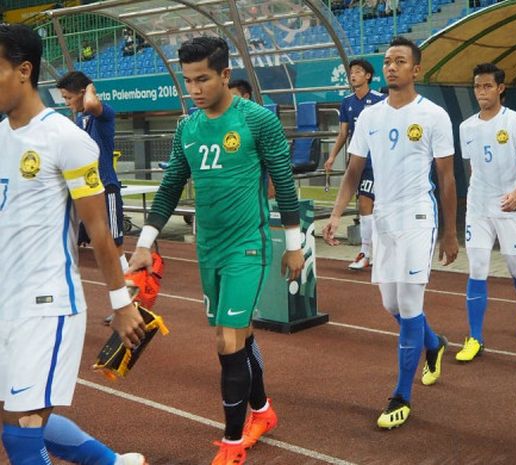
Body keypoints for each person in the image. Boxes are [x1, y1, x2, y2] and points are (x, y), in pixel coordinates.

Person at [128, 36, 304, 465]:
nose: (195, 89)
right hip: (207, 247)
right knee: (236, 338)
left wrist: (294, 245)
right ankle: (262, 412)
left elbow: (284, 180)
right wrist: (144, 245)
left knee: (228, 343)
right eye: (188, 81)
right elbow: (170, 188)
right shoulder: (187, 128)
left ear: (225, 74)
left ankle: (231, 446)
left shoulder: (258, 120)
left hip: (247, 245)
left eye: (203, 79)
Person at [0, 23, 146, 465]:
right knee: (18, 414)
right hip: (6, 299)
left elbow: (99, 232)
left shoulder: (66, 139)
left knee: (21, 429)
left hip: (46, 303)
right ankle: (113, 463)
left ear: (23, 70)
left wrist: (121, 304)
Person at [323, 36, 458, 429]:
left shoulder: (433, 115)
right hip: (383, 219)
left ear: (416, 69)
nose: (392, 66)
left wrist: (451, 234)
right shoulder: (370, 117)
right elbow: (352, 171)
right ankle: (433, 345)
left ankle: (401, 394)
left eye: (400, 61)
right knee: (391, 305)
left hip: (418, 216)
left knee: (411, 305)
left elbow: (447, 178)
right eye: (387, 61)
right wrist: (334, 215)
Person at [456, 62, 516, 362]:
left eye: (487, 86)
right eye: (477, 86)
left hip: (509, 204)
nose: (481, 91)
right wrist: (472, 199)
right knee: (477, 268)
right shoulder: (466, 126)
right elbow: (472, 168)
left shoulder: (515, 121)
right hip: (478, 207)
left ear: (500, 88)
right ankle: (475, 337)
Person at [56, 72, 127, 272]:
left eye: (69, 98)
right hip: (85, 189)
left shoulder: (104, 115)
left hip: (106, 187)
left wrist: (89, 88)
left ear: (82, 93)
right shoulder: (80, 121)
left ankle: (128, 283)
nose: (67, 103)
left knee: (115, 244)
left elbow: (91, 105)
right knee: (72, 237)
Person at [324, 58, 385, 270]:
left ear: (368, 76)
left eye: (358, 71)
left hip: (379, 162)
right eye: (351, 72)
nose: (353, 75)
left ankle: (381, 253)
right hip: (359, 163)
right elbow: (343, 133)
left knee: (381, 207)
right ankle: (365, 253)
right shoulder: (347, 101)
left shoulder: (380, 99)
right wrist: (332, 156)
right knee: (364, 204)